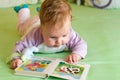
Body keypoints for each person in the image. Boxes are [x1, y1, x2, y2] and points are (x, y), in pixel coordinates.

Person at [8, 0, 87, 69]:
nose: (59, 42)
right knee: (21, 28)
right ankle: (23, 10)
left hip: (43, 21)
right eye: (53, 37)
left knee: (47, 19)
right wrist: (16, 59)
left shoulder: (69, 33)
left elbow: (81, 44)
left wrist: (76, 54)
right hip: (32, 23)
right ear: (42, 31)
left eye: (64, 35)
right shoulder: (33, 36)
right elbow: (19, 46)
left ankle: (41, 12)